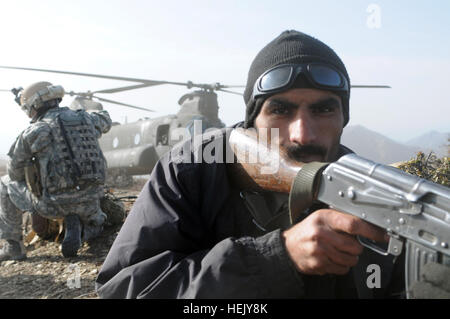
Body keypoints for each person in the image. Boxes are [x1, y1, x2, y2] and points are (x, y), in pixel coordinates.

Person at [95, 30, 447, 298]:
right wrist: (277, 257)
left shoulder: (368, 189)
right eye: (280, 109)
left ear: (343, 118)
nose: (303, 134)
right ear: (251, 122)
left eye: (324, 109)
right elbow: (122, 288)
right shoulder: (191, 170)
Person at [0, 81, 112, 260]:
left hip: (51, 206)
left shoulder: (33, 132)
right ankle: (87, 227)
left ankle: (13, 246)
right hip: (92, 202)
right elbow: (105, 118)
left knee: (5, 183)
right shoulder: (88, 119)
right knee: (90, 207)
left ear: (34, 105)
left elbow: (15, 173)